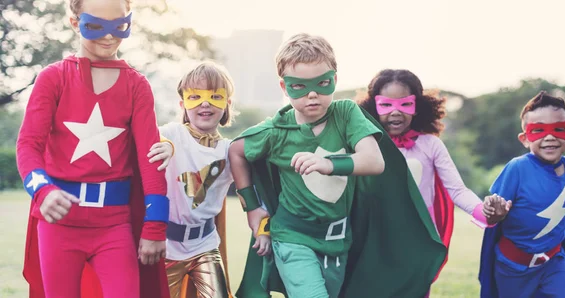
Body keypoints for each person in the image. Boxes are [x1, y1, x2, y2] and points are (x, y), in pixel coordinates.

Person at [231, 33, 447, 298]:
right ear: (284, 87)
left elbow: (374, 161)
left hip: (338, 242)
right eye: (299, 86)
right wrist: (252, 208)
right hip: (293, 237)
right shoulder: (276, 130)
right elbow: (236, 151)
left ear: (335, 78)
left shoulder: (345, 113)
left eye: (322, 83)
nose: (312, 95)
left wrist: (327, 163)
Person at [16, 0, 170, 296]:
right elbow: (28, 144)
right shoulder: (54, 77)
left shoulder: (136, 85)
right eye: (96, 25)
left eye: (120, 26)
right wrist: (42, 190)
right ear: (75, 23)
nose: (109, 36)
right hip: (58, 225)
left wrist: (155, 225)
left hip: (114, 225)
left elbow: (150, 159)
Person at [356, 69, 510, 294]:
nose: (396, 112)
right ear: (372, 106)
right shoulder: (366, 144)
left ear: (417, 106)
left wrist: (484, 211)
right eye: (386, 105)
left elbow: (457, 190)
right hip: (377, 240)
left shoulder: (431, 145)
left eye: (405, 104)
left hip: (419, 242)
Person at [478, 91, 565, 298]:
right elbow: (494, 216)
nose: (550, 137)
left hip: (554, 262)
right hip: (513, 266)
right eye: (539, 130)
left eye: (559, 129)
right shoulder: (517, 168)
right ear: (525, 139)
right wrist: (494, 212)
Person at [148, 61, 236, 298]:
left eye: (215, 96)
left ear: (226, 104)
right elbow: (145, 135)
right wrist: (164, 145)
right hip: (166, 247)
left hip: (205, 245)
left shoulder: (229, 151)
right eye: (195, 96)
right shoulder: (172, 134)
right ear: (183, 104)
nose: (205, 103)